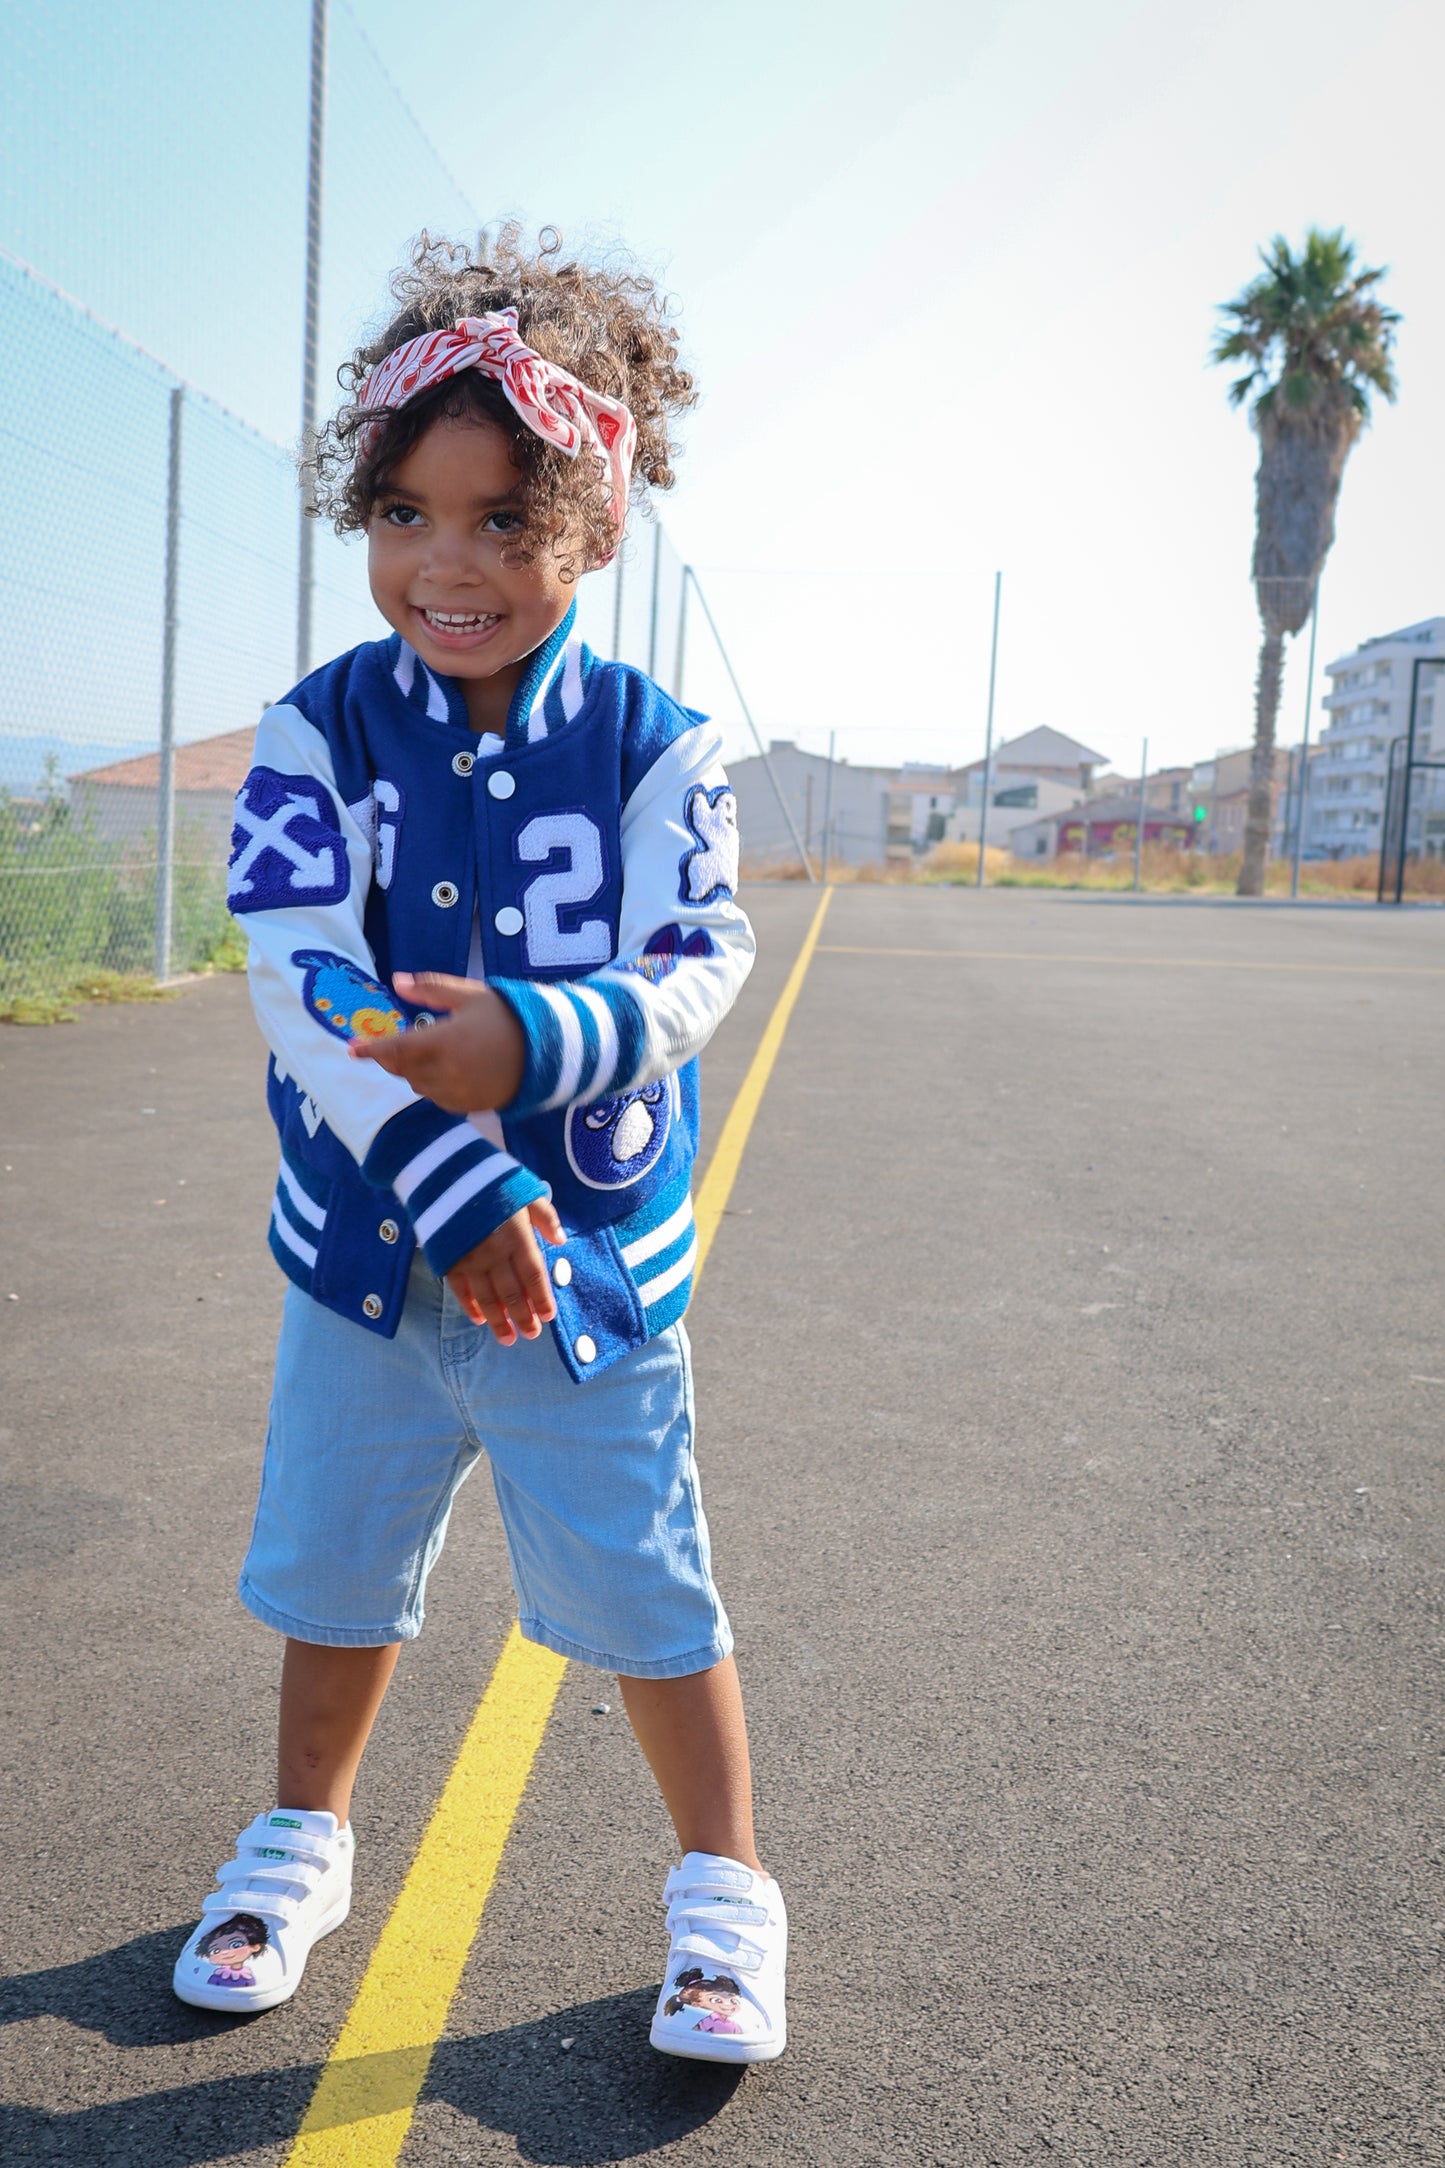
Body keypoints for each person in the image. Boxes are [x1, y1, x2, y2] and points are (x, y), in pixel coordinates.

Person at [171, 229, 786, 2064]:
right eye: (406, 514)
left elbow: (701, 958)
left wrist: (537, 1040)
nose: (448, 565)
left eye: (506, 521)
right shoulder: (314, 727)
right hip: (368, 1265)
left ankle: (726, 1892)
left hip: (586, 1275)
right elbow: (297, 973)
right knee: (335, 1570)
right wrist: (454, 1171)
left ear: (596, 526)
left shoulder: (662, 749)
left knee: (645, 1590)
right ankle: (300, 1838)